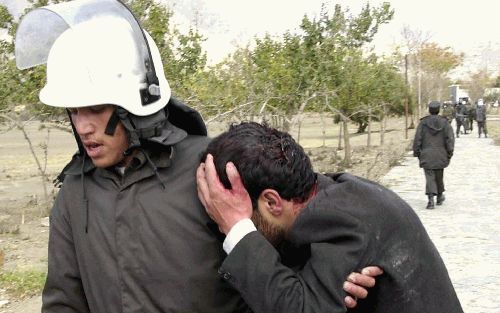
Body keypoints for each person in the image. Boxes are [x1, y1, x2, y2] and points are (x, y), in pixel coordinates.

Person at [14, 0, 377, 311]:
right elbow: (64, 299)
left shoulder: (211, 169)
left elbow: (295, 232)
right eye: (73, 110)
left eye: (94, 108)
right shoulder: (76, 192)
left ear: (134, 103)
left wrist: (337, 270)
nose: (83, 126)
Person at [196, 122, 464, 313]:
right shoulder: (328, 196)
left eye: (242, 213)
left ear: (271, 202)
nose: (224, 225)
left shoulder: (347, 218)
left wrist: (238, 229)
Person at [413, 101, 455, 209]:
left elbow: (418, 139)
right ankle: (439, 196)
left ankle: (431, 199)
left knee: (430, 177)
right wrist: (450, 152)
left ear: (429, 110)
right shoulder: (445, 123)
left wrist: (417, 152)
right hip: (441, 153)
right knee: (439, 175)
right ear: (439, 109)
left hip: (427, 153)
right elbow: (450, 139)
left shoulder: (423, 123)